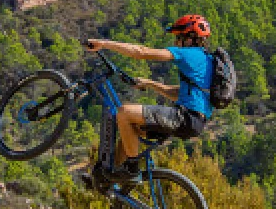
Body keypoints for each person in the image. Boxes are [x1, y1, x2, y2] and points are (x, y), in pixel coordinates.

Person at [85, 14, 215, 183]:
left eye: (178, 37)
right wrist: (150, 83)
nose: (176, 42)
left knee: (123, 112)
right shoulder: (206, 60)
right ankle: (109, 177)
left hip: (185, 118)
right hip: (194, 121)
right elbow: (179, 93)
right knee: (132, 128)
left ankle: (131, 169)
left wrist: (104, 44)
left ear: (189, 38)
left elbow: (142, 52)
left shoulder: (189, 54)